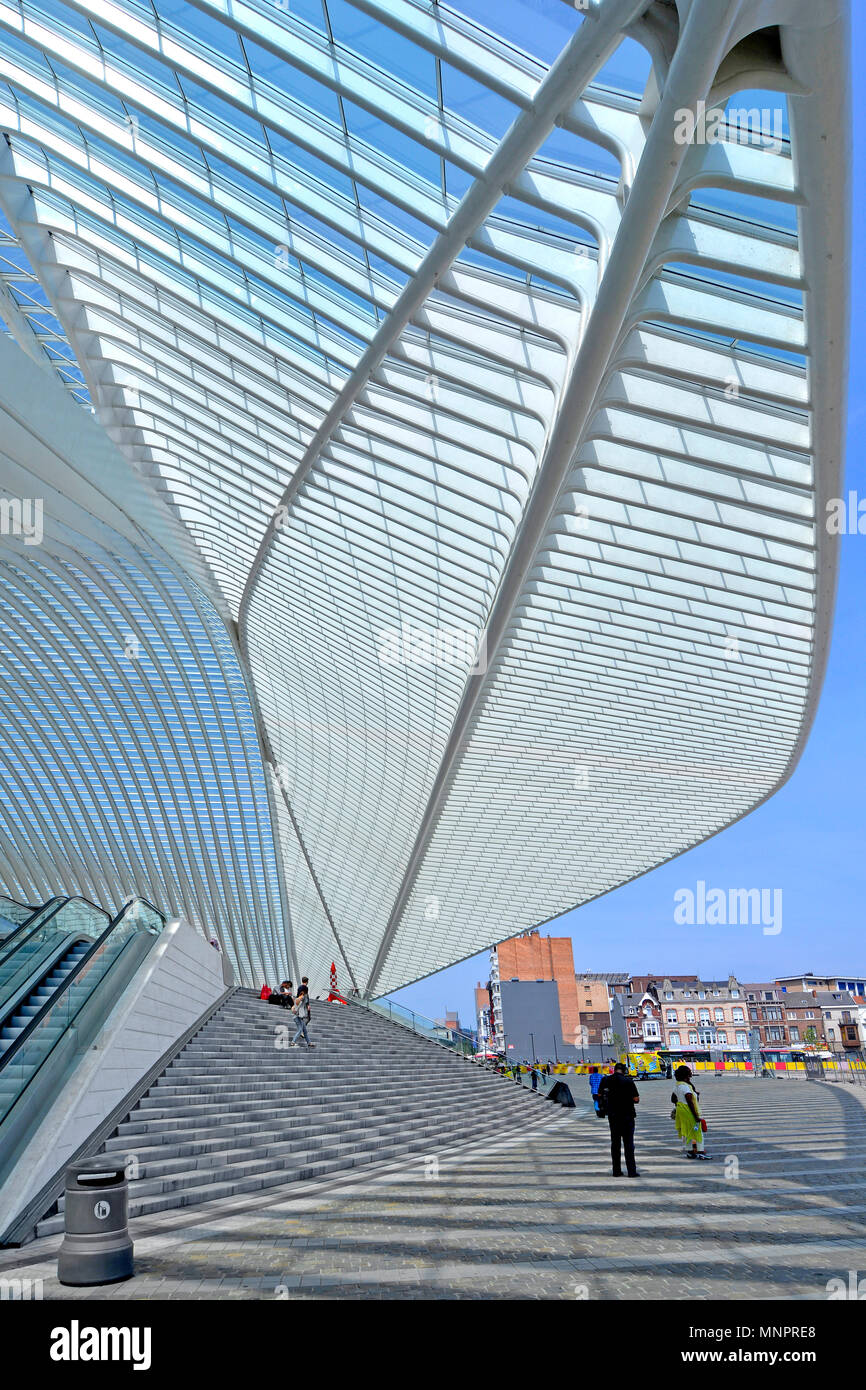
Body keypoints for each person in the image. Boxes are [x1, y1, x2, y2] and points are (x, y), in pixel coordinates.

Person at [597, 1062, 640, 1177]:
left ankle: (616, 1170)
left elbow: (599, 1095)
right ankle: (631, 1171)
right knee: (629, 1144)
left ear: (614, 1070)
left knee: (615, 1144)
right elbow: (636, 1099)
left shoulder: (605, 1080)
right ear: (624, 1070)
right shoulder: (628, 1081)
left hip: (613, 1116)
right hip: (627, 1116)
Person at [672, 1065, 710, 1160]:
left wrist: (679, 1103)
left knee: (688, 1132)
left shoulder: (678, 1085)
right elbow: (690, 1101)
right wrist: (696, 1116)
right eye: (689, 1073)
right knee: (698, 1131)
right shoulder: (685, 1087)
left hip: (682, 1111)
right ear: (686, 1075)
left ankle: (690, 1152)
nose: (691, 1075)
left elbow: (673, 1099)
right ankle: (701, 1152)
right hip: (688, 1111)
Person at [291, 977, 315, 1047]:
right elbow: (297, 1003)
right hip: (297, 1016)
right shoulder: (302, 997)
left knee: (305, 1031)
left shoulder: (302, 996)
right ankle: (293, 1042)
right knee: (300, 1030)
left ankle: (309, 1043)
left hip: (300, 1016)